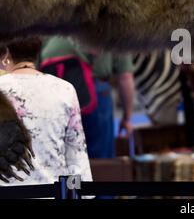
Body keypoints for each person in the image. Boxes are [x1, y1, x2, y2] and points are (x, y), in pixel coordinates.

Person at [0, 37, 92, 186]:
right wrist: (82, 194)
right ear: (38, 51)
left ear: (7, 52)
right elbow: (76, 153)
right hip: (53, 191)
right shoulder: (65, 89)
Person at [40, 37, 135, 159]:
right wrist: (127, 118)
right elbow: (125, 77)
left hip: (52, 95)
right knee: (100, 162)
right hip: (94, 95)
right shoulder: (110, 30)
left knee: (64, 161)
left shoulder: (50, 32)